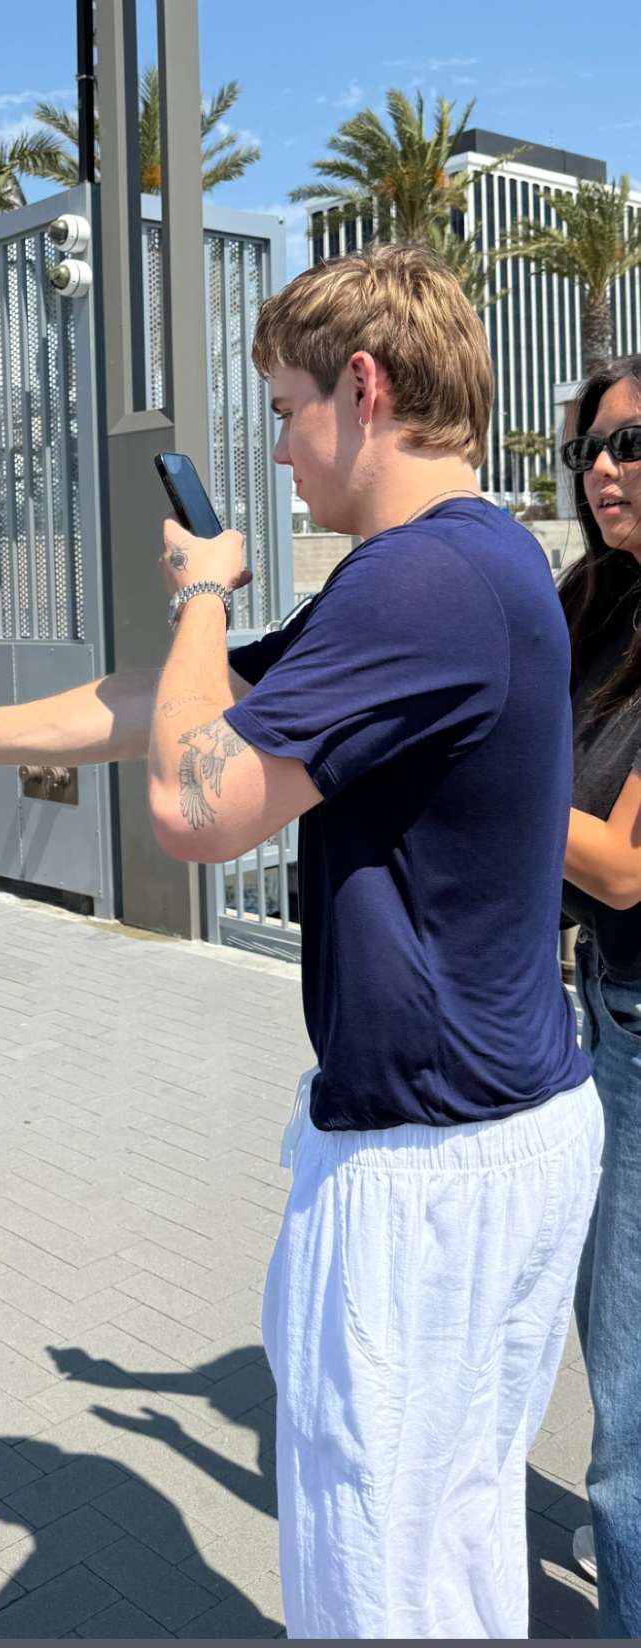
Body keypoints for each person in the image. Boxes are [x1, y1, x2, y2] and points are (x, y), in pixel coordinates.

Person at [0, 245, 603, 1641]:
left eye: (286, 409)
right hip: (484, 1122)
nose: (279, 449)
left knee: (380, 1578)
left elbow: (197, 804)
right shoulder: (462, 557)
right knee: (447, 1543)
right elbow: (179, 703)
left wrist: (200, 590)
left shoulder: (421, 582)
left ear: (363, 389)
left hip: (429, 1159)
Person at [554, 356, 641, 1640]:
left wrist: (473, 767)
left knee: (625, 1371)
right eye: (589, 448)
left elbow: (622, 867)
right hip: (602, 1002)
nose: (604, 467)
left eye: (631, 443)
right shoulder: (595, 599)